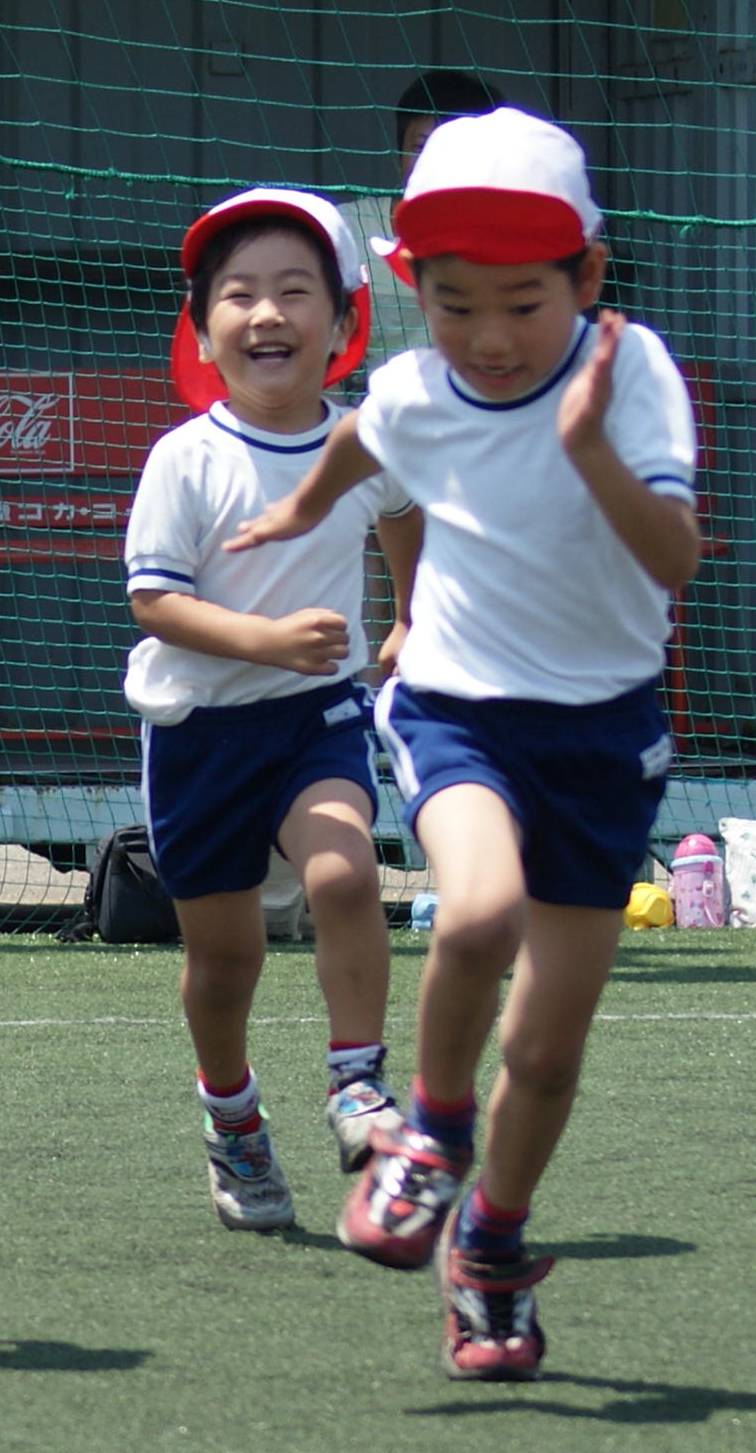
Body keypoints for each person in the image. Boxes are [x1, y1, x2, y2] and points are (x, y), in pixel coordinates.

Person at [224, 110, 702, 1378]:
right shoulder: (412, 383)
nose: (487, 338)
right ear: (409, 291)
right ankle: (429, 1137)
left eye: (520, 303)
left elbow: (673, 562)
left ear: (586, 280)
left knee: (544, 1053)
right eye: (452, 304)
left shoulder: (632, 374)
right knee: (475, 911)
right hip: (454, 701)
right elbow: (364, 436)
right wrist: (298, 509)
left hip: (603, 734)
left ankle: (489, 1245)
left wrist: (585, 444)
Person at [124, 188, 419, 1232]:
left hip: (315, 717)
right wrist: (263, 639)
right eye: (238, 294)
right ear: (202, 330)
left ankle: (355, 1083)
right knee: (225, 962)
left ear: (342, 328)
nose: (265, 314)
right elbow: (151, 601)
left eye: (294, 292)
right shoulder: (184, 459)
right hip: (198, 736)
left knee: (344, 871)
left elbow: (403, 511)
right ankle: (231, 1116)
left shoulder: (359, 444)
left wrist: (405, 619)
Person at [344, 70, 505, 373]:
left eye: (458, 151)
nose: (435, 163)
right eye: (420, 148)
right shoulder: (349, 229)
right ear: (398, 153)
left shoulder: (513, 245)